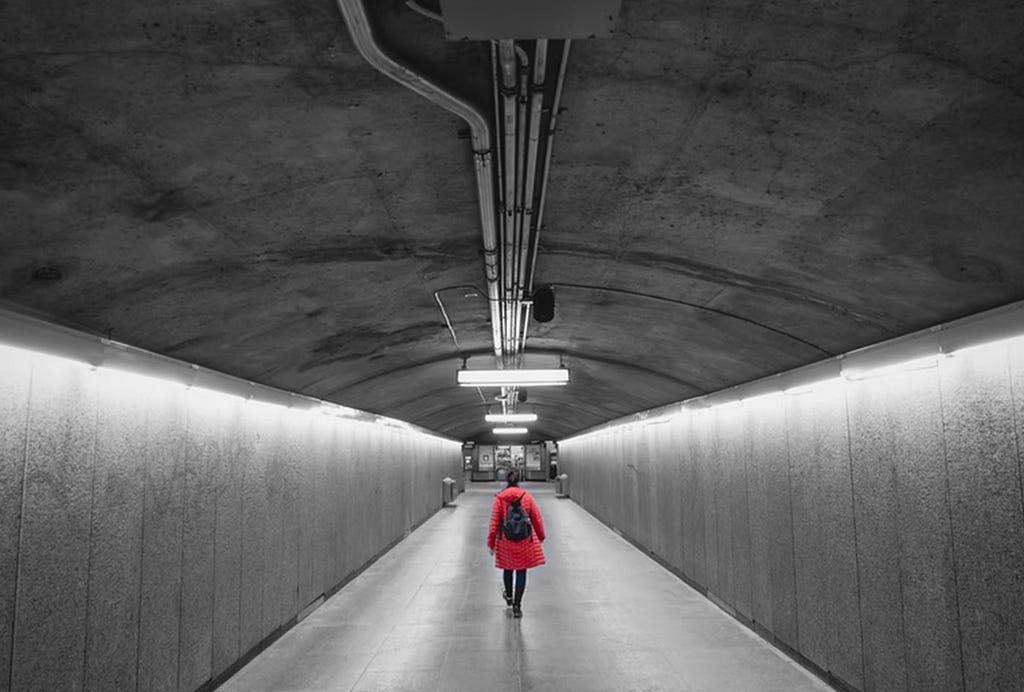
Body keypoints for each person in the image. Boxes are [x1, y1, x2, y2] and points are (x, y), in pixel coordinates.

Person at [487, 469, 546, 618]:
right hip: (525, 540)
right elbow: (536, 518)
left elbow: (494, 523)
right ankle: (517, 606)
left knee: (508, 569)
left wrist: (491, 543)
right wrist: (541, 536)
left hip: (505, 540)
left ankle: (509, 597)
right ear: (519, 480)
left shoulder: (500, 498)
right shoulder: (526, 497)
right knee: (521, 571)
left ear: (506, 480)